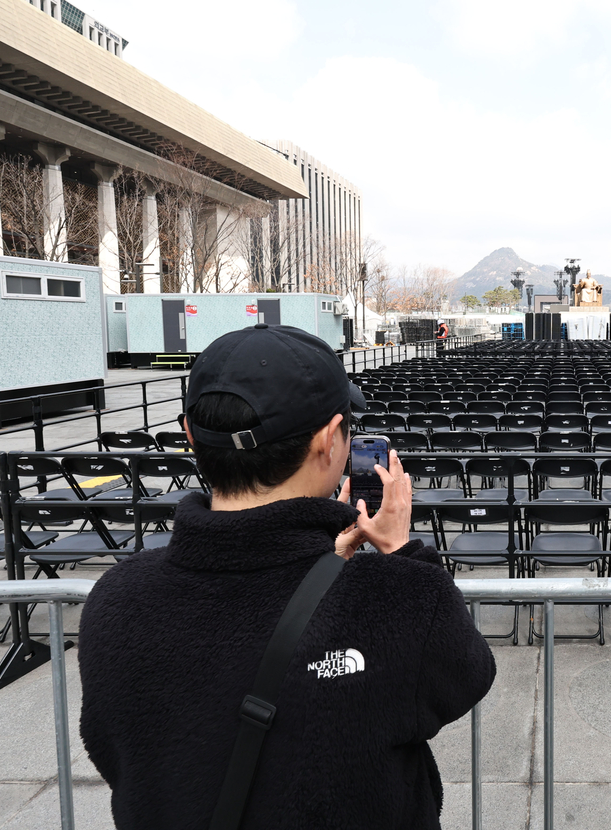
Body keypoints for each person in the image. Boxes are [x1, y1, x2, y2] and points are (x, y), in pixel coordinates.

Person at [79, 324, 495, 829]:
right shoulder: (399, 596)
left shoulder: (114, 599)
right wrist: (401, 551)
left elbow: (112, 749)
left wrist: (326, 560)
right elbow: (467, 674)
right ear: (327, 441)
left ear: (190, 434)